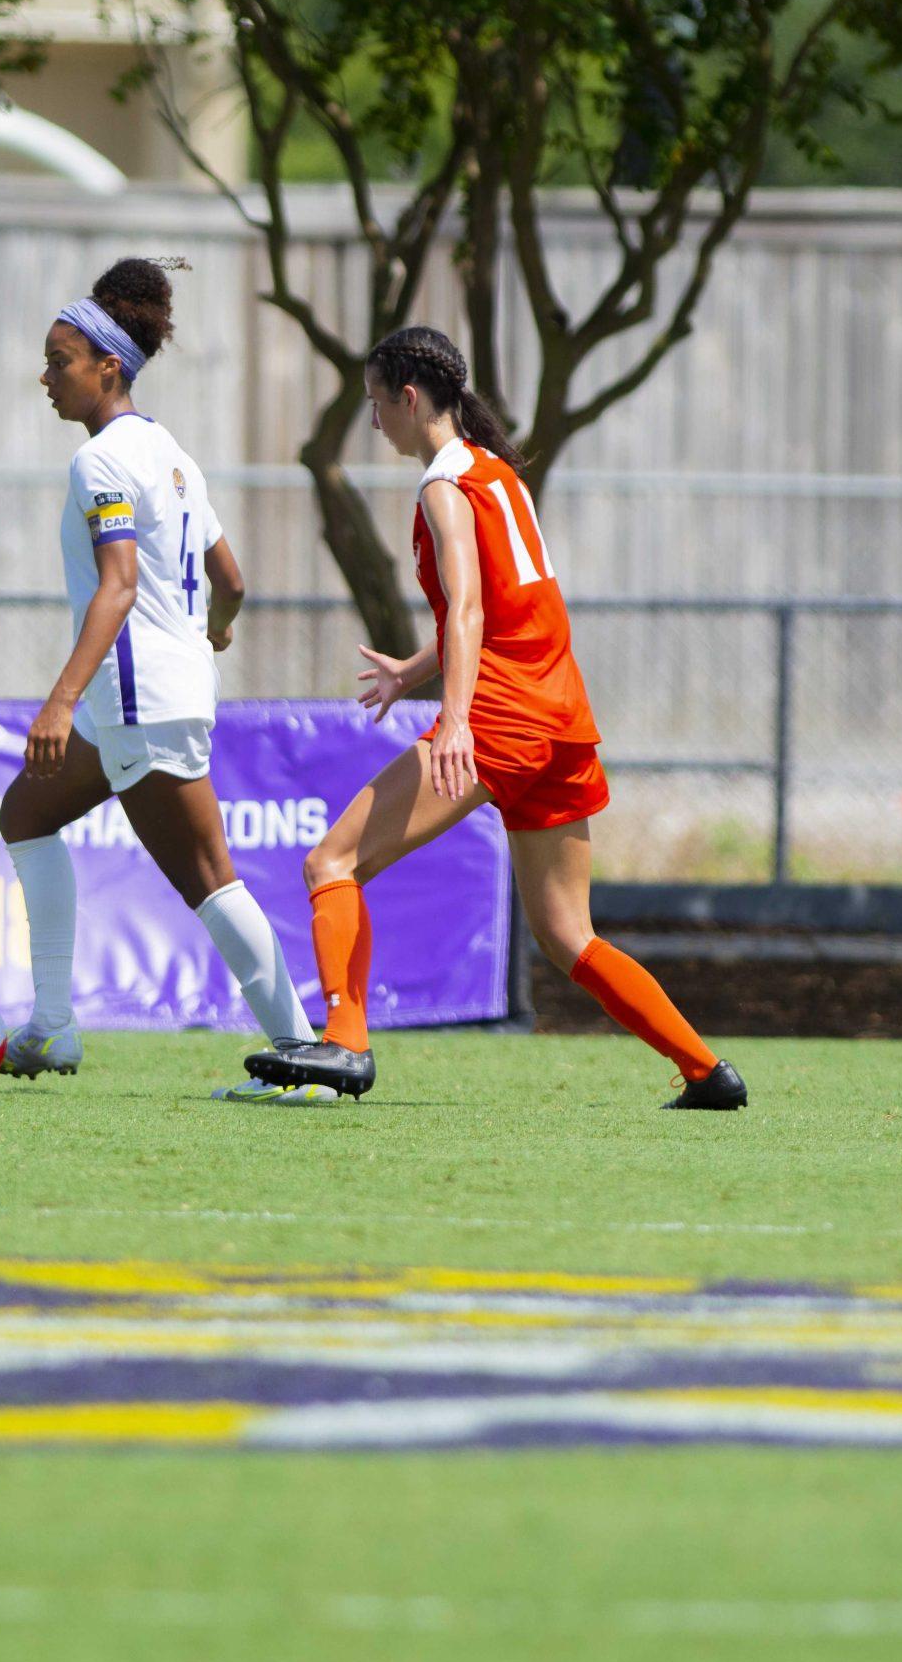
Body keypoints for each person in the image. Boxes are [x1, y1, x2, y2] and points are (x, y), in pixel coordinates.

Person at [245, 326, 745, 1109]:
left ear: (410, 399)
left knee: (330, 864)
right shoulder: (496, 472)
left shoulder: (442, 487)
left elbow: (472, 609)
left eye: (377, 404)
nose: (375, 421)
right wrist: (412, 669)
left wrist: (452, 723)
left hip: (501, 719)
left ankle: (344, 1043)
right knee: (567, 935)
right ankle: (707, 1071)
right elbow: (504, 609)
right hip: (563, 717)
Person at [0, 257, 328, 1103]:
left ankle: (301, 1058)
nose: (46, 376)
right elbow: (235, 581)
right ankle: (52, 1024)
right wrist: (214, 631)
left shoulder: (102, 461)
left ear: (109, 365)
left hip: (136, 701)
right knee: (26, 810)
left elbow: (118, 586)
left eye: (59, 359)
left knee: (209, 875)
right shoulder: (172, 455)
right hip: (148, 694)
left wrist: (60, 699)